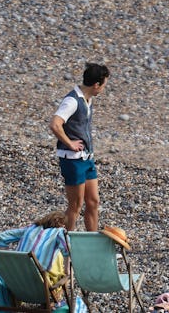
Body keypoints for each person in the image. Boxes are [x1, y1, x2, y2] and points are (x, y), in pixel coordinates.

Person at [49, 62, 110, 231]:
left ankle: (92, 244)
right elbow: (55, 124)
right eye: (104, 85)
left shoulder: (87, 99)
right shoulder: (72, 101)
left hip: (86, 158)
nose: (104, 89)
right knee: (76, 205)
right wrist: (69, 143)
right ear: (96, 84)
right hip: (73, 160)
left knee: (93, 202)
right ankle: (67, 247)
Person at [0, 211, 70, 288]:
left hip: (15, 277)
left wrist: (5, 258)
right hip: (38, 282)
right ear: (62, 225)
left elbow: (2, 237)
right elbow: (67, 250)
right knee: (60, 271)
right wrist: (67, 272)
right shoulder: (59, 232)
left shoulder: (31, 228)